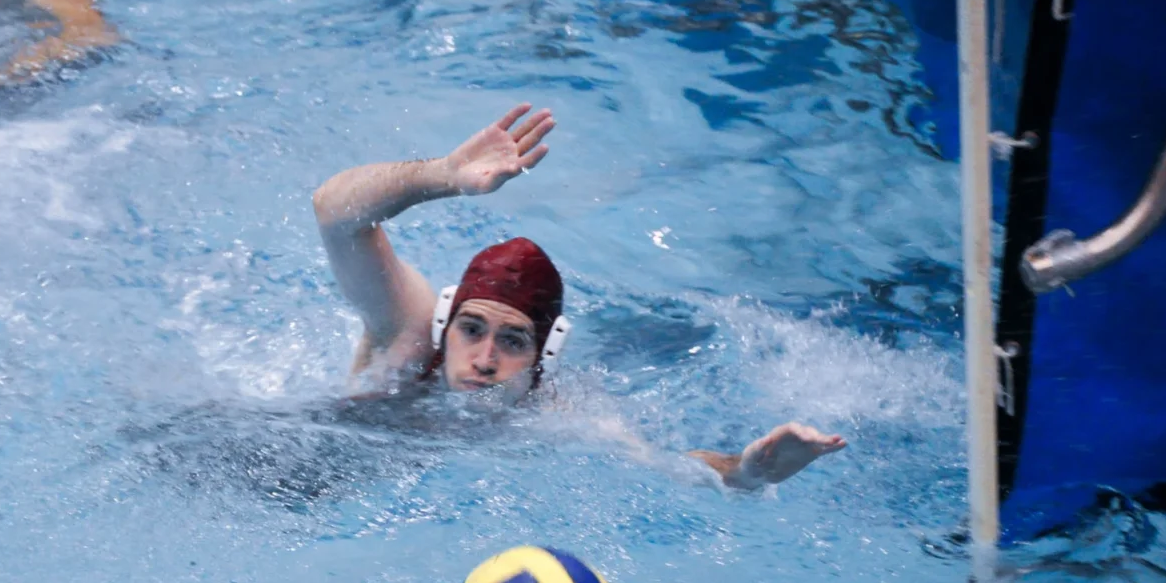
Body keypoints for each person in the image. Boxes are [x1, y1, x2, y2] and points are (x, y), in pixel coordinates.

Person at [312, 103, 847, 490]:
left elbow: (669, 465)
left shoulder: (561, 416)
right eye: (471, 329)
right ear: (444, 324)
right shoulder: (408, 340)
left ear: (545, 353)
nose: (486, 358)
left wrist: (747, 470)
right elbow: (334, 211)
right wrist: (441, 176)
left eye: (513, 340)